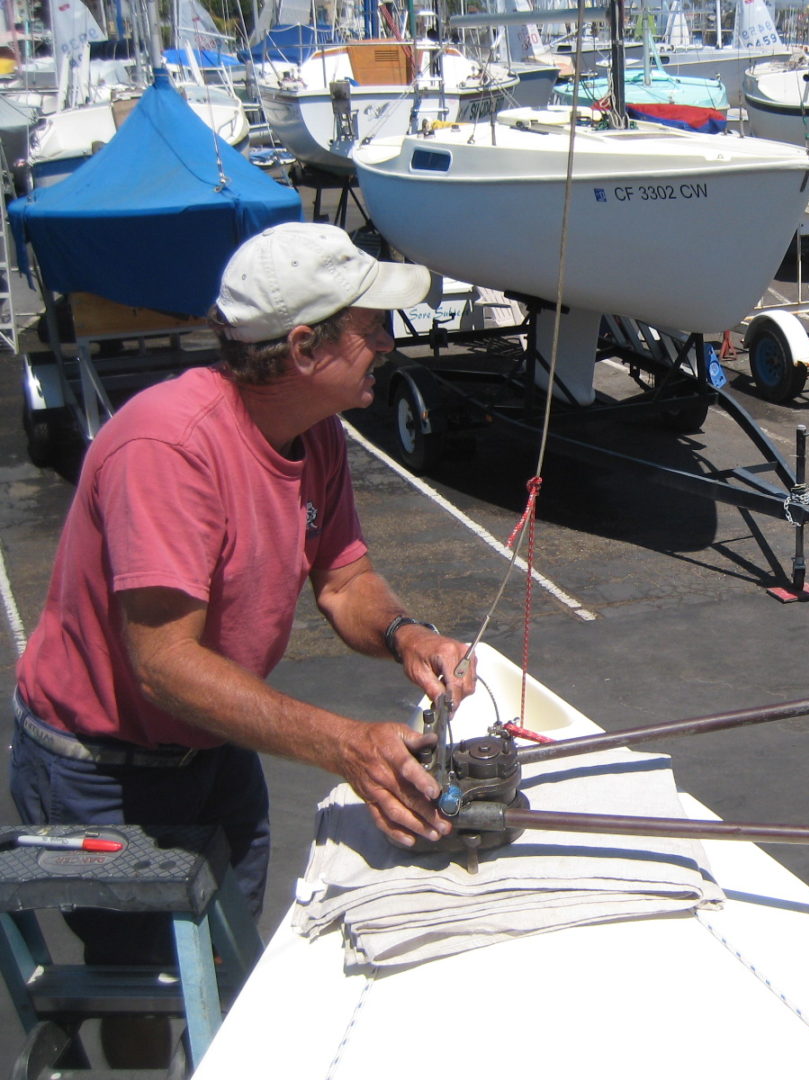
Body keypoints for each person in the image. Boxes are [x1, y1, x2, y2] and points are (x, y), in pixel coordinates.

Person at [9, 222, 474, 999]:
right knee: (147, 989)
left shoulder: (312, 433)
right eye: (372, 329)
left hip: (213, 748)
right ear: (303, 350)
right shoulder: (169, 447)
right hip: (101, 768)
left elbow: (342, 576)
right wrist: (345, 744)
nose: (390, 345)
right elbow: (162, 664)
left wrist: (405, 633)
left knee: (228, 965)